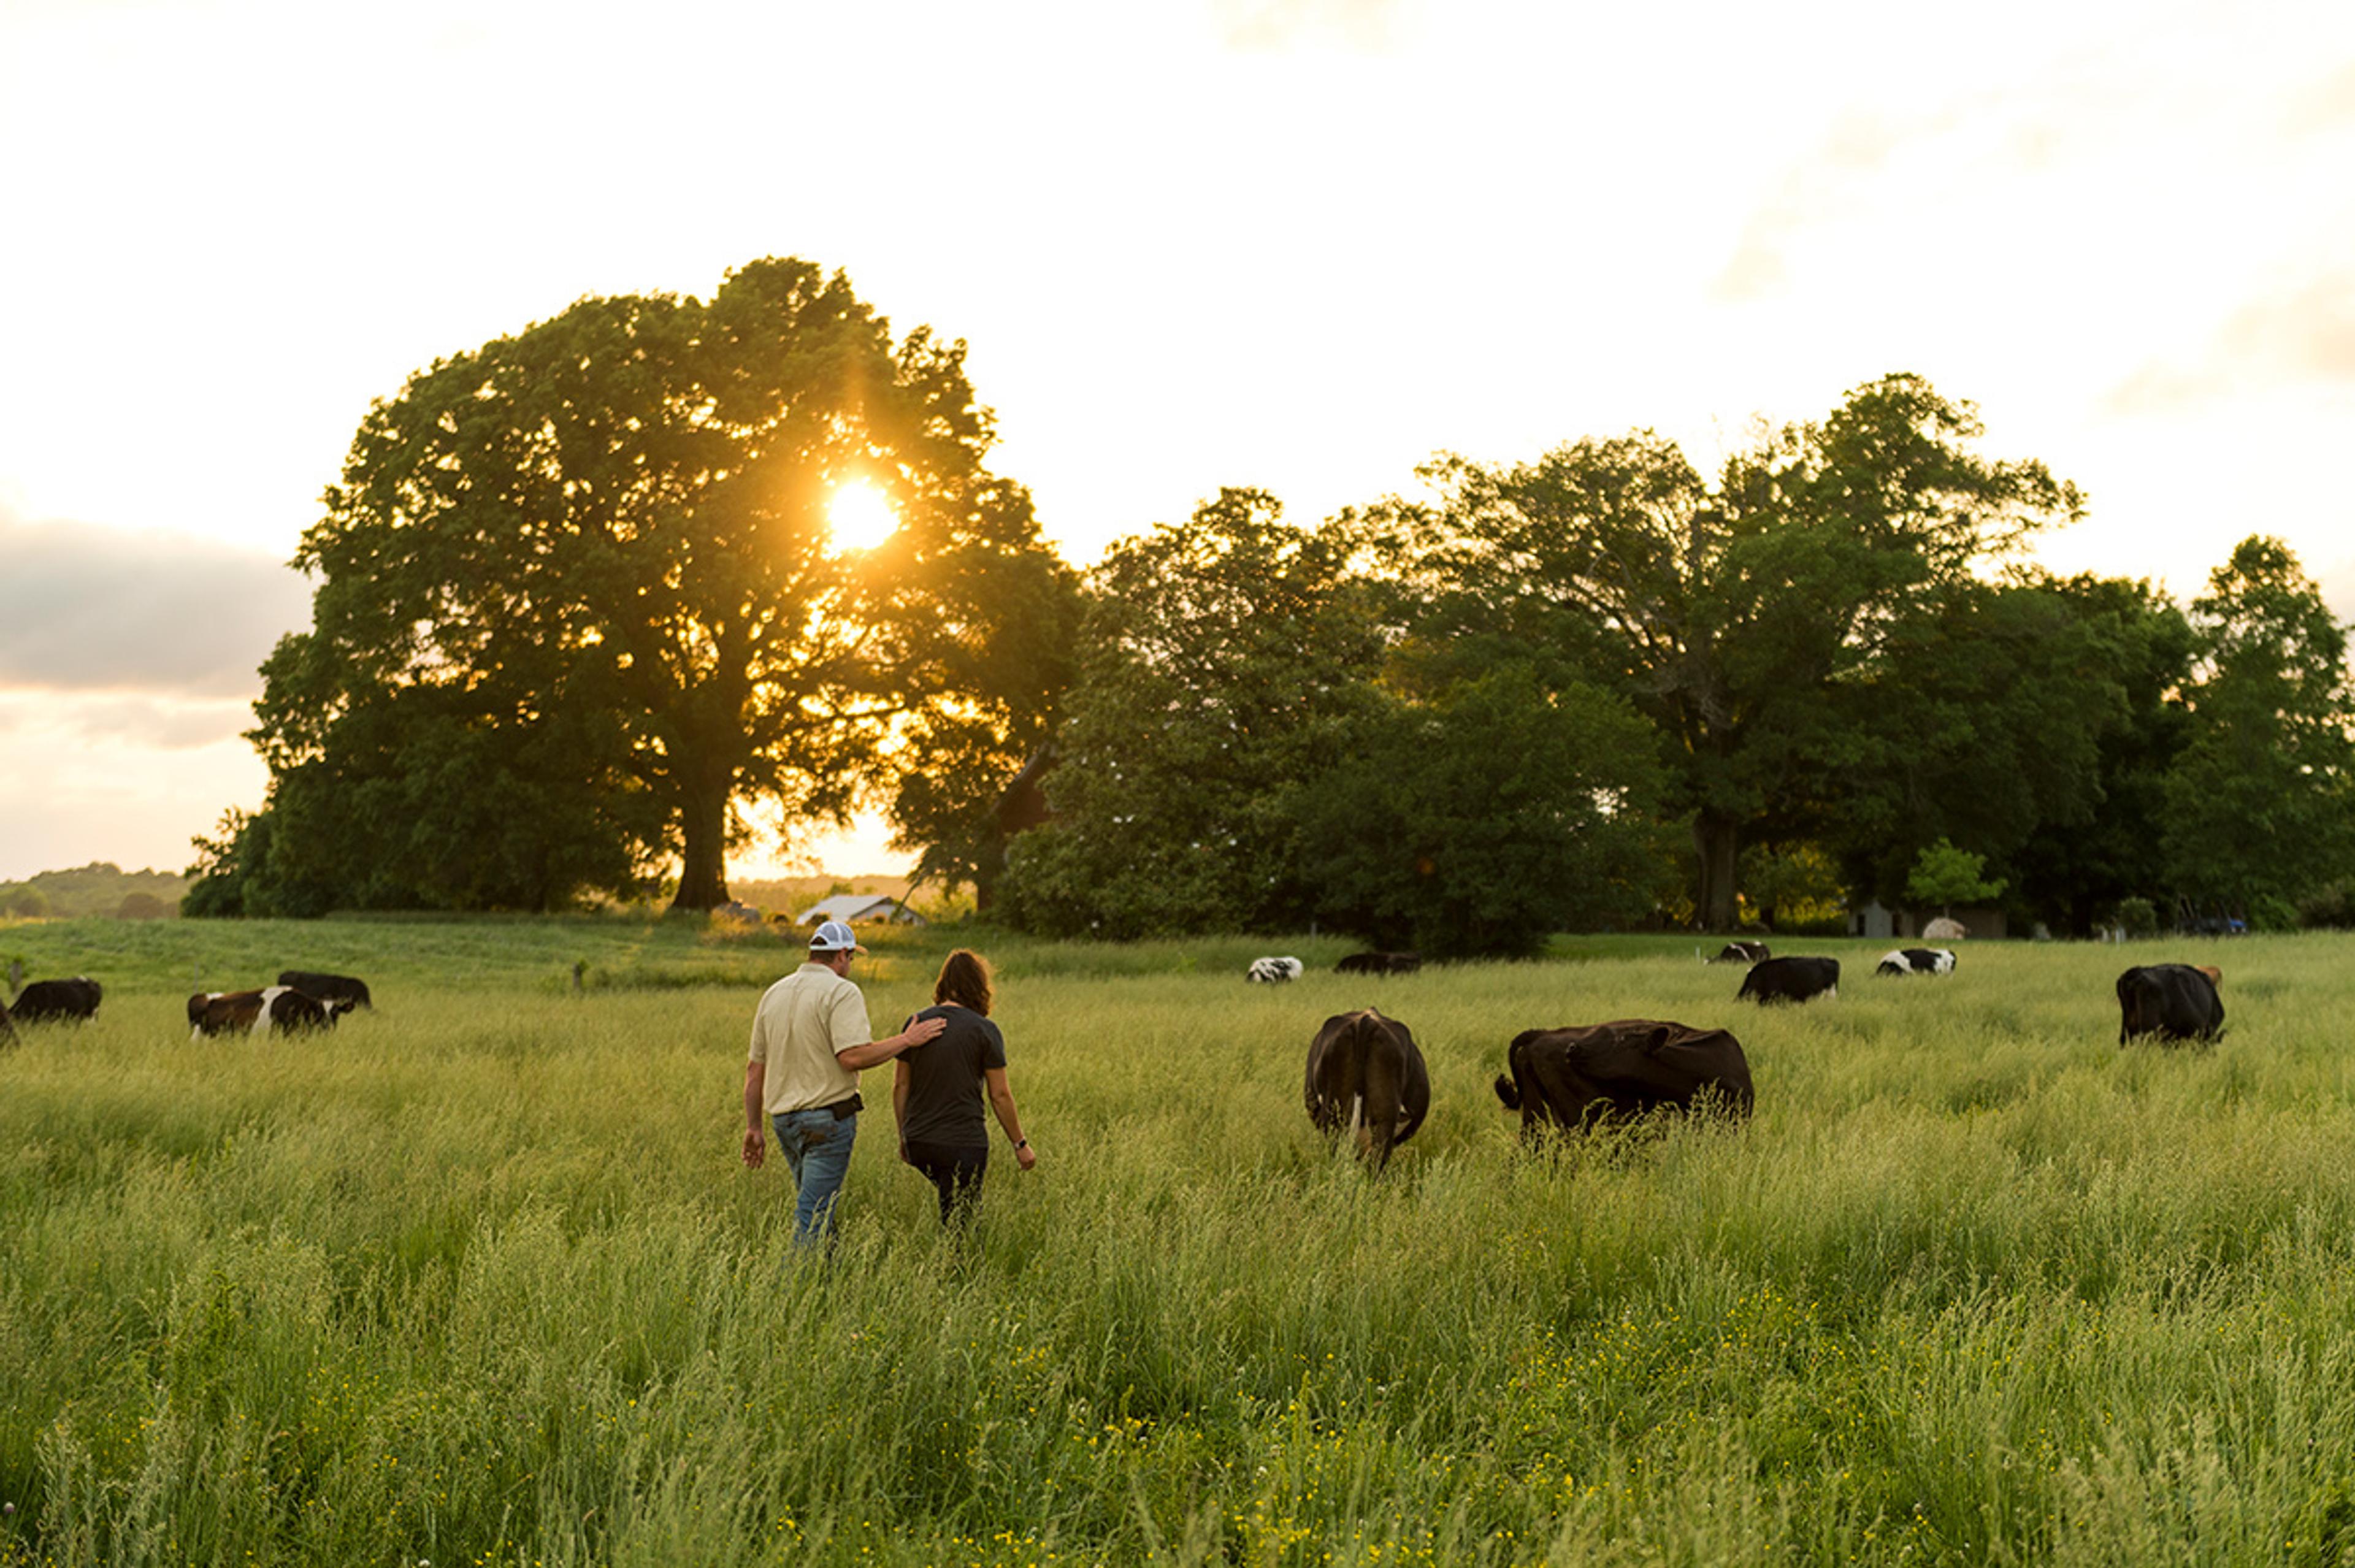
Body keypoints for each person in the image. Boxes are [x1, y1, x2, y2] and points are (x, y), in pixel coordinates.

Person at [741, 920, 944, 1247]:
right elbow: (852, 1057)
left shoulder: (773, 994)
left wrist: (754, 1128)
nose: (851, 965)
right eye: (852, 957)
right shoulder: (841, 991)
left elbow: (754, 1070)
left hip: (784, 1122)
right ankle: (793, 1290)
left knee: (818, 1210)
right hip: (827, 1123)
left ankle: (829, 1285)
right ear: (842, 955)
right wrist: (907, 1040)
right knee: (813, 1217)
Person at [894, 948, 1036, 1226]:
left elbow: (900, 1085)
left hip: (920, 1140)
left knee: (953, 1203)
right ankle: (956, 1266)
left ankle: (949, 1260)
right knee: (963, 1223)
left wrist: (904, 1137)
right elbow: (1000, 1094)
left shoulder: (916, 1023)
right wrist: (1020, 1145)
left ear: (943, 984)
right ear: (980, 986)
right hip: (963, 1142)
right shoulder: (984, 1030)